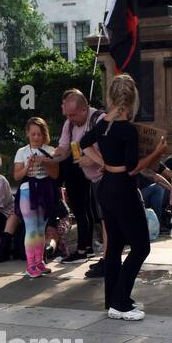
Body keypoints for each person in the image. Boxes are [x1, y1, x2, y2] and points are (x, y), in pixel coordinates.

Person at [78, 74, 165, 320]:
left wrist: (102, 162)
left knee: (114, 245)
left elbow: (84, 143)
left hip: (106, 188)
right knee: (141, 246)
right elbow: (133, 167)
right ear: (132, 98)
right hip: (122, 189)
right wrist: (157, 152)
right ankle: (120, 302)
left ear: (112, 97)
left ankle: (113, 300)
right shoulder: (127, 129)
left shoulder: (103, 124)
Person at [55, 88, 105, 264]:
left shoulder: (99, 120)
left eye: (74, 115)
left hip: (102, 175)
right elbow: (63, 149)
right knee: (83, 208)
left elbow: (110, 150)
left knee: (103, 216)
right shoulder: (69, 124)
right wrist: (50, 156)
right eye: (68, 114)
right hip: (83, 171)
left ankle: (98, 254)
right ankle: (88, 248)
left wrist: (90, 160)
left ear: (84, 109)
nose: (70, 118)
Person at [13, 116, 59, 278]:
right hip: (28, 191)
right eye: (33, 134)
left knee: (41, 229)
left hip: (45, 191)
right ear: (28, 134)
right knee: (31, 228)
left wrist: (45, 162)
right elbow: (17, 176)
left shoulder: (50, 150)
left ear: (44, 134)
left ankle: (39, 262)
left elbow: (55, 175)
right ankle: (30, 264)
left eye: (39, 134)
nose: (36, 137)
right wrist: (28, 166)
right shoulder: (21, 152)